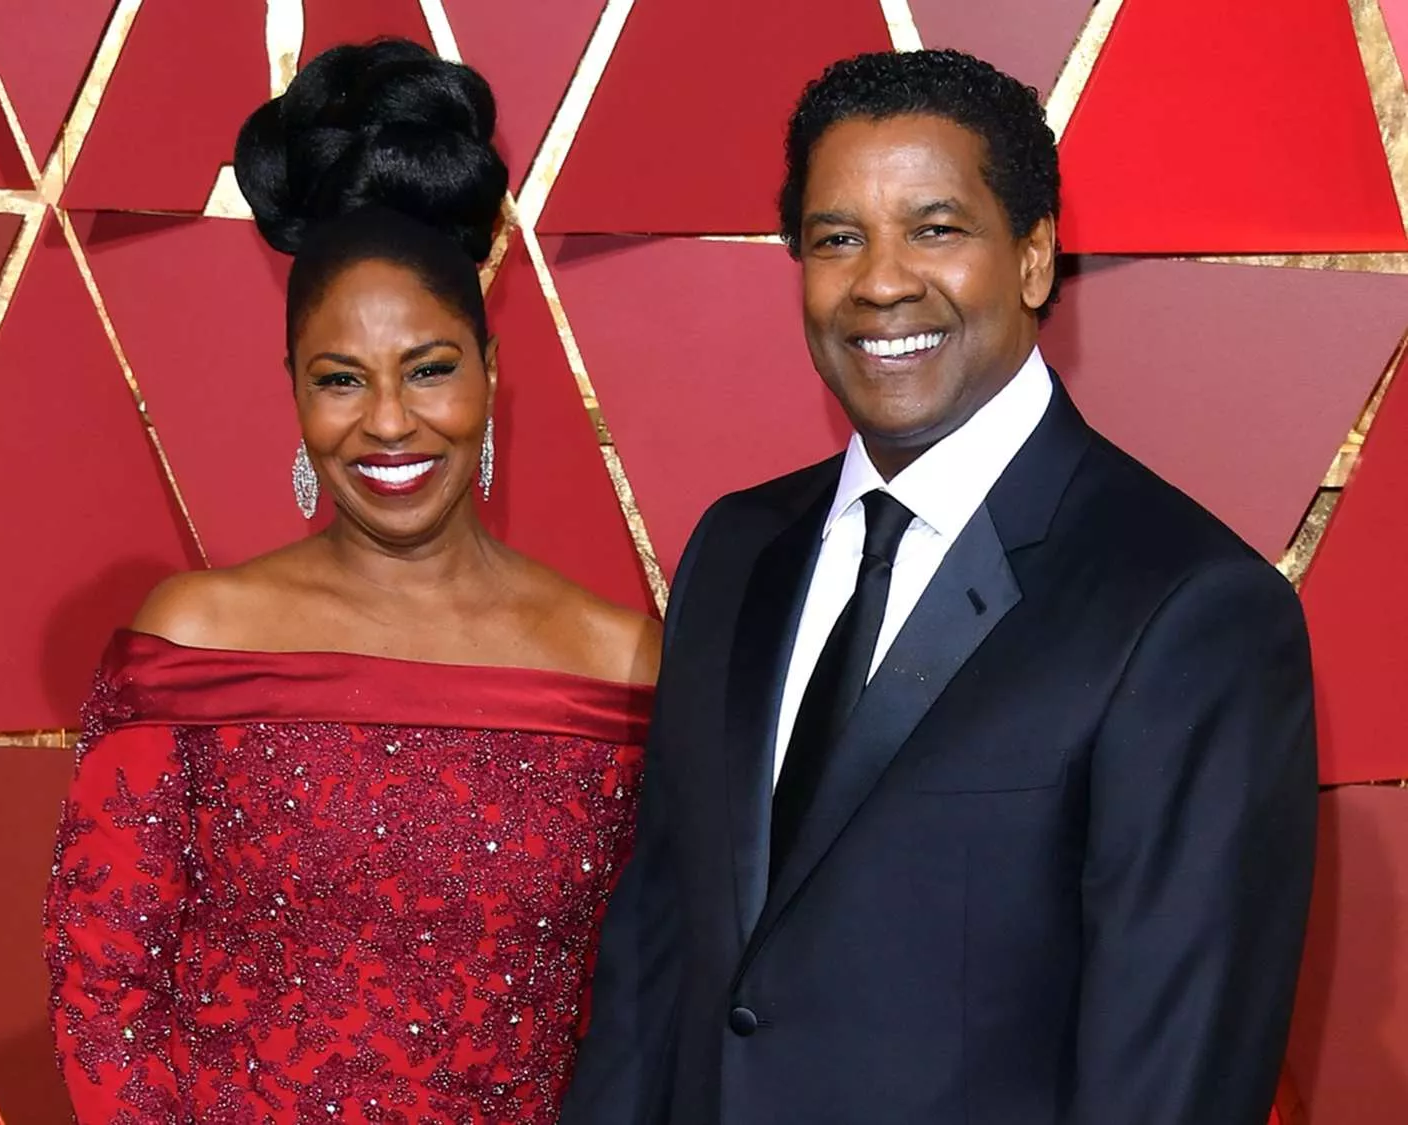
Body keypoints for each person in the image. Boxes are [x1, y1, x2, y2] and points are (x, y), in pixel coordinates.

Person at [561, 49, 1317, 1125]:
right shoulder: (736, 553)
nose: (880, 280)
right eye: (837, 239)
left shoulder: (1189, 609)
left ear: (1034, 257)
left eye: (935, 228)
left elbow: (1171, 1080)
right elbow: (653, 967)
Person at [44, 39, 659, 1124]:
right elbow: (103, 990)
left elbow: (650, 1005)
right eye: (342, 379)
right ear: (294, 393)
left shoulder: (621, 661)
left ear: (489, 371)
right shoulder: (198, 638)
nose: (388, 421)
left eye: (429, 367)